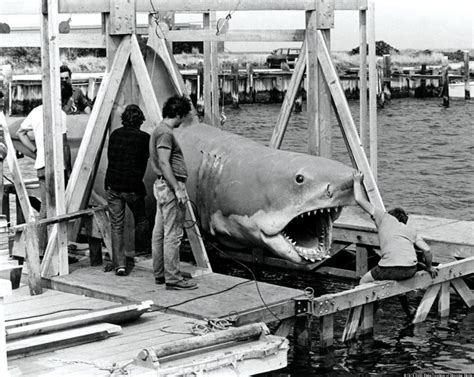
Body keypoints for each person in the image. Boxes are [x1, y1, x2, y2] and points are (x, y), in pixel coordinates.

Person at [353, 170, 437, 319]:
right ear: (404, 221)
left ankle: (373, 310)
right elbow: (427, 250)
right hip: (409, 270)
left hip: (388, 269)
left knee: (364, 280)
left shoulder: (383, 217)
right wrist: (429, 267)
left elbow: (359, 199)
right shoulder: (410, 229)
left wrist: (357, 181)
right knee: (400, 278)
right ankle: (407, 309)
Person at [16, 82, 73, 253]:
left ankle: (43, 249)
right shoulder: (60, 114)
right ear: (64, 98)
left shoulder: (36, 110)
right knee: (54, 210)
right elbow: (64, 144)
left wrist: (35, 151)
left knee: (45, 208)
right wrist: (68, 168)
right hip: (56, 167)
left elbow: (20, 133)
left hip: (41, 165)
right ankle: (45, 250)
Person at [150, 95, 197, 290]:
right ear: (177, 114)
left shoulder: (158, 130)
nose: (184, 120)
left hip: (161, 185)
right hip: (170, 187)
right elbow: (163, 161)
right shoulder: (165, 133)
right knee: (173, 234)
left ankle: (161, 273)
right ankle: (173, 278)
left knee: (160, 232)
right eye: (183, 116)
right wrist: (177, 188)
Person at [104, 104, 151, 276]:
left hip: (113, 185)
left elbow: (111, 158)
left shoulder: (115, 134)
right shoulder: (145, 138)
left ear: (124, 120)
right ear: (140, 121)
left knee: (116, 225)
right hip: (133, 187)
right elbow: (146, 160)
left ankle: (120, 265)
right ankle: (143, 250)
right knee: (142, 219)